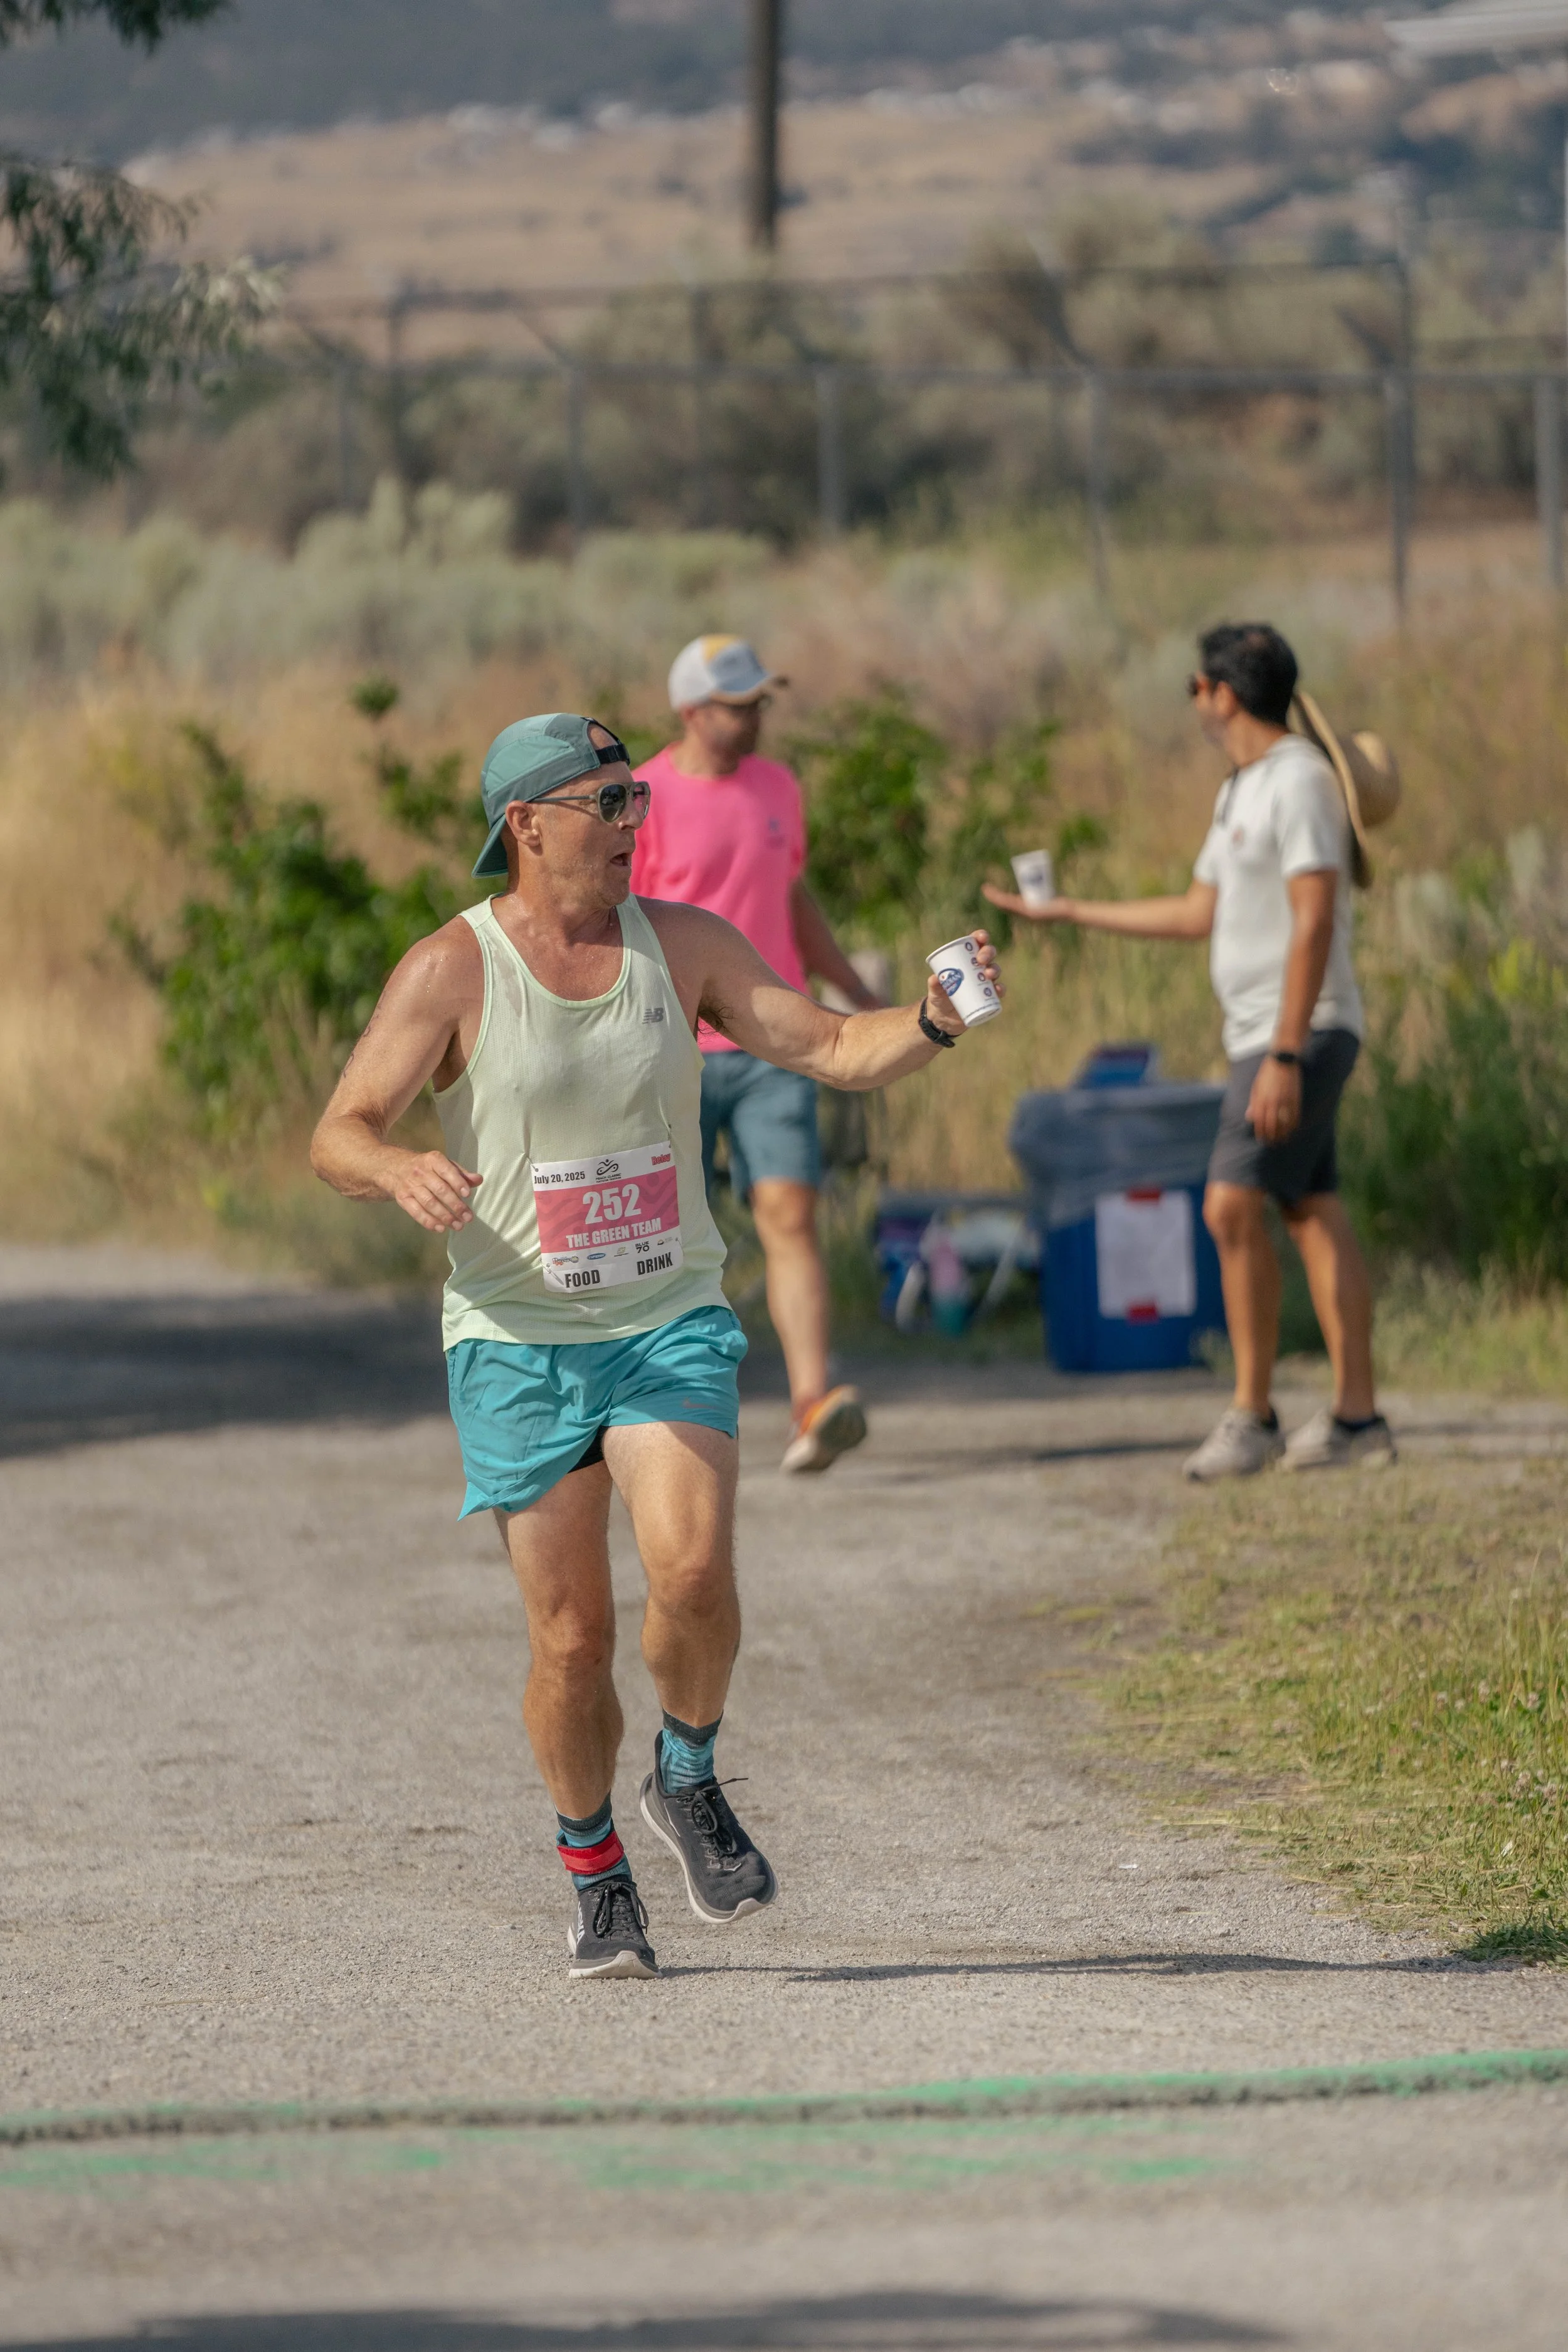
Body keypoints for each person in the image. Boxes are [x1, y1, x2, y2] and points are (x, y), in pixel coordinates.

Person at [311, 712, 1001, 1979]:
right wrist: (396, 1164)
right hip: (518, 1338)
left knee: (688, 1577)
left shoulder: (678, 946)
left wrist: (937, 1017)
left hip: (663, 1319)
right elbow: (339, 1127)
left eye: (636, 800)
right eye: (608, 803)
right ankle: (591, 1865)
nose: (638, 822)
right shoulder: (449, 971)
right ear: (527, 825)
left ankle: (684, 1776)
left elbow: (831, 1046)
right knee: (569, 1640)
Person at [985, 622, 1394, 1482]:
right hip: (1267, 1032)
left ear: (1223, 693)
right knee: (1310, 1209)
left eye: (1194, 687)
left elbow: (1315, 917)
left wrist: (1284, 1053)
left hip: (1299, 1029)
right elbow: (1195, 911)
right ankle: (1359, 1417)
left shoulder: (1301, 780)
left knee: (1227, 1206)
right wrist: (1070, 912)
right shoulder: (1238, 790)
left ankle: (1253, 1414)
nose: (1194, 701)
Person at [631, 635, 884, 1476]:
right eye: (738, 705)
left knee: (790, 1215)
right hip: (674, 1049)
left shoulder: (779, 787)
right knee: (673, 1237)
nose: (754, 718)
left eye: (759, 703)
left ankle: (813, 1401)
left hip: (775, 1040)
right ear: (692, 712)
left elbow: (792, 899)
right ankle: (666, 1410)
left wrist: (849, 991)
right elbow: (625, 922)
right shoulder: (644, 798)